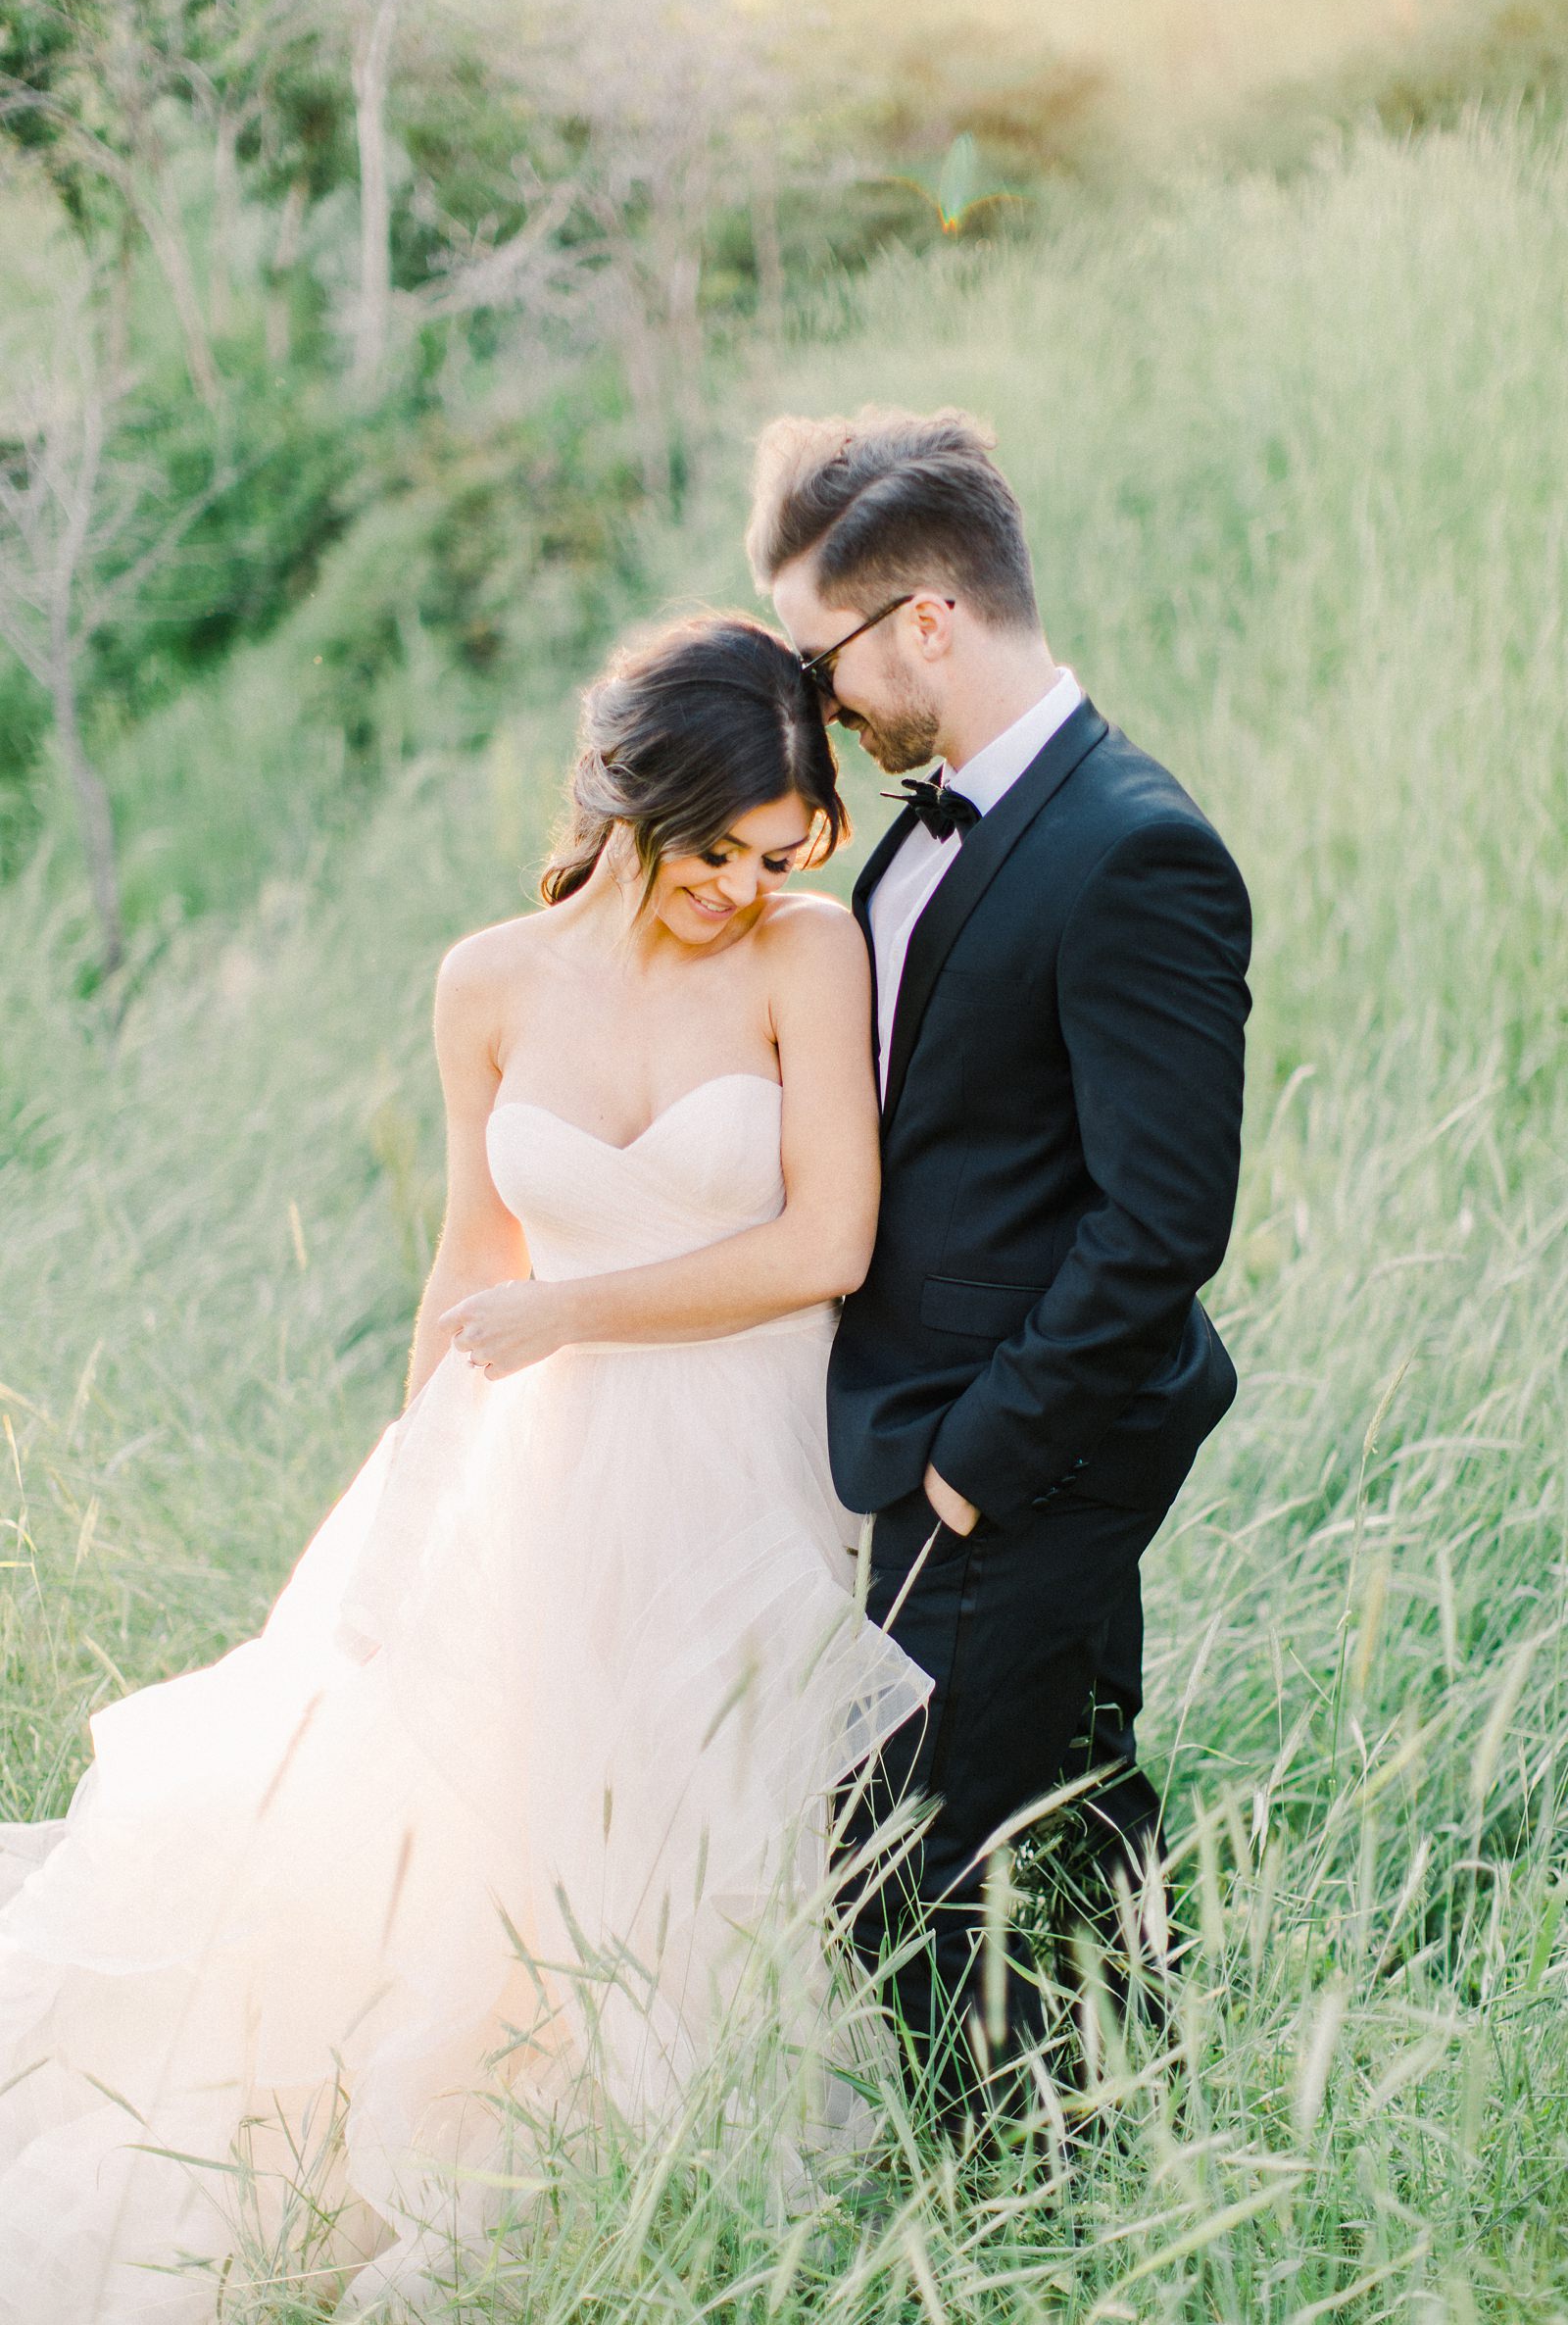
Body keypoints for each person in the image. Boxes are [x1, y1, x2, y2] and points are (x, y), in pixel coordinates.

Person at [0, 615, 931, 2322]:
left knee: (694, 1848)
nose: (740, 884)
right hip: (541, 1462)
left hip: (739, 1468)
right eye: (712, 848)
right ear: (628, 799)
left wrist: (570, 1303)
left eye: (779, 853)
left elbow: (829, 1244)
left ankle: (690, 2189)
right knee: (475, 1836)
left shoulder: (806, 959)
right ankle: (479, 2172)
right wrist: (407, 1498)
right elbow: (463, 1262)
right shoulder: (487, 980)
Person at [751, 406, 1252, 2119]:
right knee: (1064, 1814)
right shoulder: (936, 823)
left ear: (929, 623)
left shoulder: (1136, 848)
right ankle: (1126, 2173)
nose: (823, 711)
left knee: (911, 1866)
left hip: (1010, 1451)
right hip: (923, 1431)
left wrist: (974, 1463)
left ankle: (1012, 2209)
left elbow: (1162, 1221)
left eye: (826, 665)